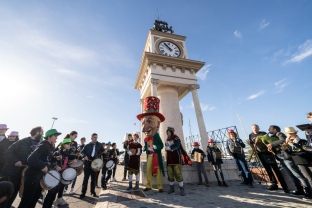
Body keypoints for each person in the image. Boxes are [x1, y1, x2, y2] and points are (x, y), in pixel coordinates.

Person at [0, 126, 43, 208]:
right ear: (37, 133)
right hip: (12, 174)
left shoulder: (39, 145)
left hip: (23, 176)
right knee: (5, 197)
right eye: (41, 132)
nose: (42, 134)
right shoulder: (23, 142)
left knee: (13, 196)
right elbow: (7, 153)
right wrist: (15, 161)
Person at [18, 128, 61, 208]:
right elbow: (31, 158)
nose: (56, 138)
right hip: (33, 177)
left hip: (39, 178)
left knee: (33, 200)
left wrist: (55, 159)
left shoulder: (49, 147)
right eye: (55, 136)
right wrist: (42, 165)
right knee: (26, 202)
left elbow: (47, 159)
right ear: (49, 137)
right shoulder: (44, 145)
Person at [137, 96, 165, 192]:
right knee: (148, 170)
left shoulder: (157, 136)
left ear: (158, 124)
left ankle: (160, 186)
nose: (144, 129)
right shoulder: (146, 139)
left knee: (157, 171)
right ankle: (148, 185)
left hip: (156, 156)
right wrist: (145, 148)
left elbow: (161, 145)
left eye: (149, 121)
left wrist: (155, 147)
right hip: (149, 156)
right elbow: (145, 145)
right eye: (143, 123)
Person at [43, 138, 77, 207]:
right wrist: (56, 167)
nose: (69, 145)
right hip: (55, 174)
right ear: (63, 145)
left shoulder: (67, 154)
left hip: (62, 174)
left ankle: (51, 205)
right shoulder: (57, 152)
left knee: (55, 191)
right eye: (67, 144)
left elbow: (66, 163)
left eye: (69, 144)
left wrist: (71, 162)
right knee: (51, 192)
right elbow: (51, 161)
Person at [281, 127, 312, 199]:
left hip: (308, 159)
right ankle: (309, 193)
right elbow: (288, 155)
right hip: (299, 161)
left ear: (294, 133)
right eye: (288, 134)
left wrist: (294, 144)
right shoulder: (287, 144)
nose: (289, 135)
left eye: (290, 133)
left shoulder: (302, 141)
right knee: (309, 177)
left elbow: (306, 148)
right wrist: (285, 148)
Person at [261, 125, 289, 193]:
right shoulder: (273, 136)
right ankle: (285, 188)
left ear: (275, 129)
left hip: (284, 154)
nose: (268, 129)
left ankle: (286, 188)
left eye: (270, 129)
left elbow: (283, 140)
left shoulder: (279, 134)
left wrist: (271, 144)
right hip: (279, 155)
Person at [80, 133, 104, 199]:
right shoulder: (87, 145)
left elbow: (103, 151)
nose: (96, 138)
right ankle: (83, 192)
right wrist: (84, 156)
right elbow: (82, 152)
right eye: (94, 137)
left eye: (96, 137)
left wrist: (105, 150)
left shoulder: (99, 145)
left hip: (95, 164)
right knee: (85, 179)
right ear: (91, 138)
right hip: (87, 164)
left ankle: (92, 192)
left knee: (93, 179)